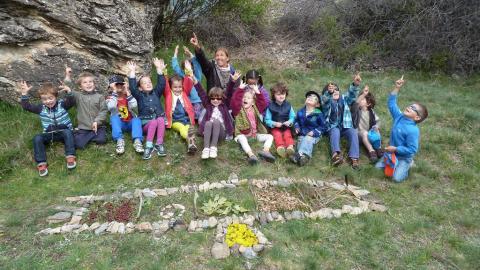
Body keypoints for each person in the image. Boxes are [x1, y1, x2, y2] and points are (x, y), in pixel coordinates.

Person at [375, 76, 428, 182]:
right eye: (410, 106)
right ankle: (393, 162)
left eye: (414, 109)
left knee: (396, 178)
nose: (409, 107)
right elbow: (391, 104)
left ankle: (409, 164)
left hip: (404, 157)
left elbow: (412, 149)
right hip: (391, 153)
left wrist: (396, 149)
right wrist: (397, 87)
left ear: (417, 117)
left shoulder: (413, 130)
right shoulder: (399, 117)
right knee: (376, 170)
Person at [17, 81, 76, 176]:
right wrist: (24, 94)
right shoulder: (41, 108)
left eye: (50, 98)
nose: (48, 101)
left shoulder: (62, 105)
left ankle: (70, 157)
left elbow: (72, 101)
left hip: (64, 132)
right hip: (49, 134)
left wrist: (68, 91)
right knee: (37, 138)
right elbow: (27, 107)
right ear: (41, 100)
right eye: (44, 99)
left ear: (56, 97)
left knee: (68, 132)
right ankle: (41, 164)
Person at [127, 58, 167, 159]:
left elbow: (162, 84)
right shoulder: (139, 95)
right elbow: (132, 88)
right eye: (144, 83)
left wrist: (159, 69)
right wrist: (132, 72)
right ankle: (149, 146)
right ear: (140, 87)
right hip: (147, 125)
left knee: (161, 119)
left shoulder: (156, 93)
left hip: (159, 123)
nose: (148, 84)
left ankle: (159, 144)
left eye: (149, 82)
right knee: (153, 122)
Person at [321, 74, 362, 169]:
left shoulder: (344, 99)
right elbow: (324, 101)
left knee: (352, 131)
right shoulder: (327, 101)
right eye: (332, 90)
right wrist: (329, 94)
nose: (334, 91)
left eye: (336, 89)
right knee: (335, 131)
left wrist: (355, 85)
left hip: (345, 126)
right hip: (332, 126)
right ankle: (336, 155)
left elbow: (351, 95)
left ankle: (354, 158)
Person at [193, 72, 236, 159]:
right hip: (209, 132)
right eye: (213, 98)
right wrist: (195, 82)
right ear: (210, 98)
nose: (215, 100)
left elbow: (229, 93)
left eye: (218, 98)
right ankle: (206, 149)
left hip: (221, 133)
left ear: (222, 98)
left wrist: (232, 81)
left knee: (216, 121)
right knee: (208, 123)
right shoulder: (208, 105)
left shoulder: (224, 105)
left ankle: (213, 147)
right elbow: (201, 93)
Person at [231, 79, 275, 164]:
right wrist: (240, 89)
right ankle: (251, 155)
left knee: (270, 136)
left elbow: (263, 103)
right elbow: (234, 102)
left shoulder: (256, 108)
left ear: (253, 102)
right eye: (244, 97)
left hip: (254, 136)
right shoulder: (238, 109)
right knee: (242, 138)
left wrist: (257, 92)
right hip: (242, 135)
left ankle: (265, 151)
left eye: (248, 98)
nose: (245, 99)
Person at [64, 67, 108, 149]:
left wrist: (97, 121)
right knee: (78, 144)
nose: (88, 84)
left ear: (94, 84)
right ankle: (83, 134)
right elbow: (67, 88)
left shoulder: (100, 97)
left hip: (98, 126)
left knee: (102, 140)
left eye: (90, 82)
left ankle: (92, 135)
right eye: (85, 82)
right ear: (80, 87)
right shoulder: (78, 96)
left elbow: (103, 111)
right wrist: (68, 75)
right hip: (84, 127)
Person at [163, 61, 197, 154]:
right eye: (175, 87)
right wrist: (163, 72)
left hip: (186, 119)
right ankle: (190, 140)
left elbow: (188, 82)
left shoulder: (184, 92)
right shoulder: (168, 94)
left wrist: (188, 70)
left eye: (179, 87)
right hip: (175, 121)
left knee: (187, 128)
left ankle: (190, 144)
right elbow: (165, 83)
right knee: (182, 128)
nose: (178, 89)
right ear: (170, 87)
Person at [106, 74, 144, 155]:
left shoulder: (128, 97)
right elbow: (111, 107)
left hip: (129, 122)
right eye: (116, 85)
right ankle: (119, 140)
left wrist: (127, 92)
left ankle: (137, 140)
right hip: (119, 124)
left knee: (137, 119)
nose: (119, 86)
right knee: (114, 118)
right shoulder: (110, 98)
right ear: (111, 87)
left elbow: (134, 105)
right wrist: (114, 91)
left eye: (121, 84)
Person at [291, 91, 328, 166]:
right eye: (309, 97)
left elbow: (323, 126)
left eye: (314, 98)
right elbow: (296, 121)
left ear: (317, 104)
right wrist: (297, 127)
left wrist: (314, 132)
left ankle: (299, 155)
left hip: (314, 135)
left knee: (308, 139)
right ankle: (303, 158)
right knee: (301, 140)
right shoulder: (300, 112)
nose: (310, 98)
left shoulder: (318, 114)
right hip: (302, 133)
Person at [351, 85, 383, 162]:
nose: (360, 99)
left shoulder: (371, 112)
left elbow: (378, 121)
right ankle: (371, 151)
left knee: (376, 130)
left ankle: (378, 148)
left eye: (363, 99)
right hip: (358, 134)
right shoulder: (357, 110)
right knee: (364, 132)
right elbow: (356, 103)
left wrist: (376, 126)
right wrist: (363, 94)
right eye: (361, 98)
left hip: (369, 134)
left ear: (368, 104)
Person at [172, 45, 204, 119]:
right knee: (184, 113)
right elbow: (175, 67)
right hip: (187, 101)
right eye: (185, 67)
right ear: (183, 69)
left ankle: (197, 117)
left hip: (197, 101)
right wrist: (175, 54)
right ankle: (187, 117)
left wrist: (190, 54)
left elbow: (197, 65)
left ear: (192, 68)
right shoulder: (182, 76)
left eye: (189, 67)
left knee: (197, 114)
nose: (187, 69)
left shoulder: (196, 76)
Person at [264, 82, 295, 158]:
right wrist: (274, 123)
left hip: (286, 127)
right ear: (274, 96)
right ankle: (280, 148)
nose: (281, 96)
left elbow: (293, 117)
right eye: (278, 94)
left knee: (288, 135)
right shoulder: (270, 107)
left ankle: (290, 147)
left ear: (286, 94)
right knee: (277, 135)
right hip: (275, 127)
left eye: (283, 94)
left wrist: (290, 122)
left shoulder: (288, 105)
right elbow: (267, 120)